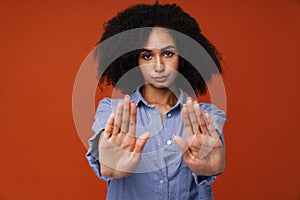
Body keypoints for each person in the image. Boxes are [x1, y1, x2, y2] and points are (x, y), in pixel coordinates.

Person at [86, 2, 226, 200]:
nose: (158, 66)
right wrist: (109, 165)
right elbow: (106, 160)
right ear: (133, 60)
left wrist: (213, 168)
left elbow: (214, 163)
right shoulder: (112, 111)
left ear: (184, 56)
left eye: (168, 53)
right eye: (147, 55)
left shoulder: (206, 117)